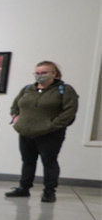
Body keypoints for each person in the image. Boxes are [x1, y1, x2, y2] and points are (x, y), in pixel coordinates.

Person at [5, 61, 79, 202]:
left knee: (49, 161)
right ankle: (23, 188)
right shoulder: (27, 89)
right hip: (25, 132)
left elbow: (69, 111)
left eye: (44, 73)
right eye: (37, 73)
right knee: (27, 161)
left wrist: (52, 126)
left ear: (54, 73)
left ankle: (49, 191)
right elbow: (15, 106)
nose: (40, 76)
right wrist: (16, 119)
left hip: (50, 134)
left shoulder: (65, 89)